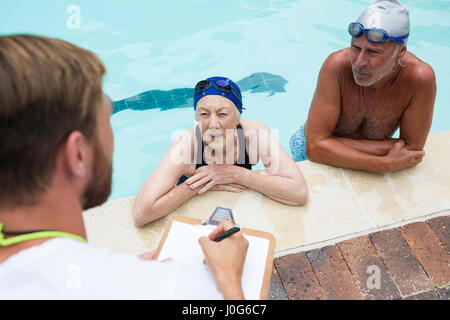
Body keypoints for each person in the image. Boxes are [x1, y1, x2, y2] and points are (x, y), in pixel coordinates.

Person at [0, 35, 249, 299]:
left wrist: (122, 276)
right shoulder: (167, 288)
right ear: (78, 155)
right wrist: (229, 280)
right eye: (107, 118)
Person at [133, 77, 309, 227]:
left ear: (238, 116)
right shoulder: (186, 147)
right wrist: (199, 184)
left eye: (222, 114)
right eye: (204, 114)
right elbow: (142, 213)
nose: (213, 124)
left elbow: (299, 193)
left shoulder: (254, 134)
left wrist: (235, 174)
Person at [289, 0, 436, 174]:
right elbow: (313, 148)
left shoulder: (419, 79)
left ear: (401, 52)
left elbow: (412, 150)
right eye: (356, 48)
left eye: (373, 52)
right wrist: (382, 164)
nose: (358, 63)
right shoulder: (336, 67)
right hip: (308, 149)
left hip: (330, 150)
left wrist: (329, 144)